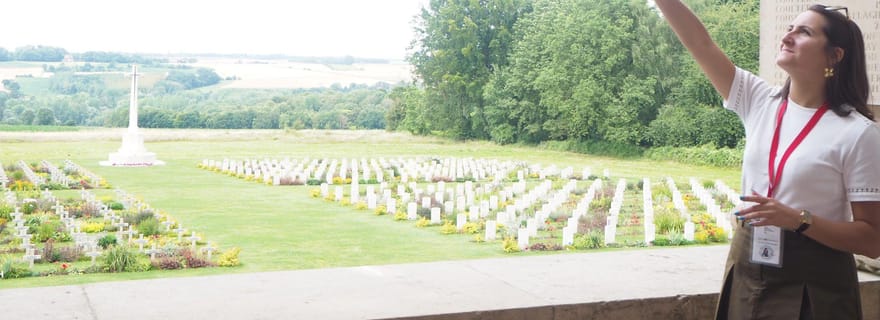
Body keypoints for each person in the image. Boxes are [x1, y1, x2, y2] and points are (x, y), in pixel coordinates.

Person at [654, 1, 880, 319]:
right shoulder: (759, 100)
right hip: (748, 267)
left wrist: (799, 219)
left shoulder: (858, 133)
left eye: (803, 32)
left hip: (816, 283)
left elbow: (872, 239)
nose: (788, 36)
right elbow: (700, 43)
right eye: (789, 29)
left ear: (834, 56)